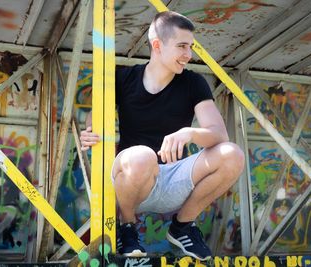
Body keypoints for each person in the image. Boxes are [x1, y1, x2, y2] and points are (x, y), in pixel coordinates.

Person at [80, 11, 244, 261]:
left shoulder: (193, 82)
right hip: (134, 183)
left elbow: (219, 134)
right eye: (181, 46)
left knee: (232, 154)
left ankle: (182, 227)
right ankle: (127, 228)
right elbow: (94, 123)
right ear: (157, 45)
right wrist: (89, 134)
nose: (188, 55)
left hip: (176, 181)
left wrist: (189, 133)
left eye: (190, 47)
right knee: (142, 156)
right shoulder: (123, 78)